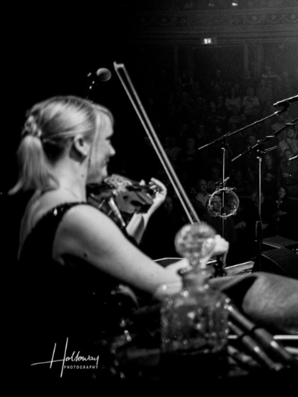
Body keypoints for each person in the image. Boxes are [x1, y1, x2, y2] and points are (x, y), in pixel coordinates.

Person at [12, 96, 229, 375]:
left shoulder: (40, 202)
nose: (112, 151)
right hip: (90, 362)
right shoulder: (78, 218)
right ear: (80, 145)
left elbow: (113, 257)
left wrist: (145, 212)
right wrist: (204, 253)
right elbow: (168, 288)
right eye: (107, 140)